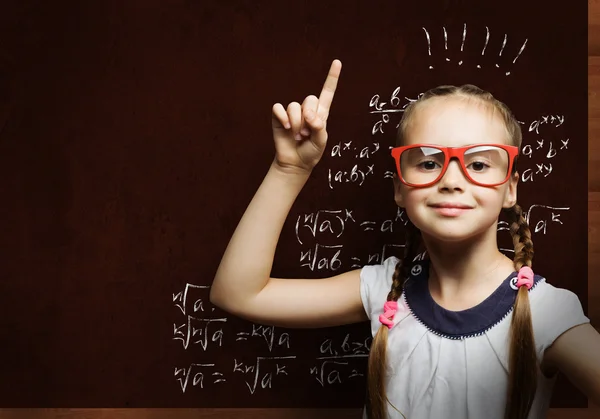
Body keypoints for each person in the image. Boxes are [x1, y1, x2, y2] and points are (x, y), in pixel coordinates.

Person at [210, 59, 600, 419]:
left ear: (509, 188)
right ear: (400, 188)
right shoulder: (384, 289)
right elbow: (239, 293)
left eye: (479, 163)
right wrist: (289, 169)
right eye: (428, 162)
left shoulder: (546, 312)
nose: (451, 180)